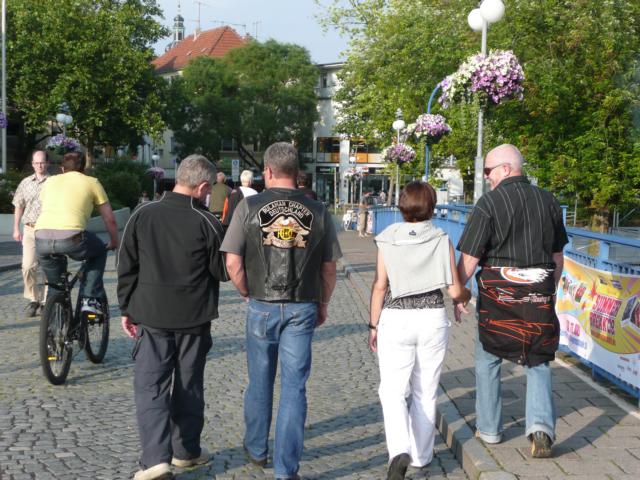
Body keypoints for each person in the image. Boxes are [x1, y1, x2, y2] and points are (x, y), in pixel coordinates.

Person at [221, 142, 342, 480]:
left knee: (259, 381)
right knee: (294, 387)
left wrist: (246, 292)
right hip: (303, 305)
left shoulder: (248, 206)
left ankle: (257, 448)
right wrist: (323, 303)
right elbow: (329, 269)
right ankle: (286, 469)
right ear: (296, 170)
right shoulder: (319, 211)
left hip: (261, 304)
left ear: (269, 171)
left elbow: (232, 262)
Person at [118, 154, 229, 480]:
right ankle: (186, 451)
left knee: (151, 386)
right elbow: (222, 271)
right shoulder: (207, 222)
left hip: (151, 314)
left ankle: (156, 461)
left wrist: (126, 308)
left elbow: (126, 265)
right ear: (203, 186)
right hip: (194, 317)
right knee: (189, 386)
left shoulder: (143, 213)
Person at [454, 144, 568, 458]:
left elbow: (469, 258)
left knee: (489, 357)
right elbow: (558, 256)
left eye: (488, 171)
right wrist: (549, 290)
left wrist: (458, 293)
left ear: (505, 169)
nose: (486, 177)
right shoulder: (548, 201)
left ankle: (490, 429)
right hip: (538, 293)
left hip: (497, 297)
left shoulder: (489, 203)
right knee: (538, 358)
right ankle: (541, 429)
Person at [368, 181, 471, 479]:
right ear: (432, 207)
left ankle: (399, 449)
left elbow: (380, 286)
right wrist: (465, 297)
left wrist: (373, 325)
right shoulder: (441, 238)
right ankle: (422, 456)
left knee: (392, 390)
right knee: (425, 391)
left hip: (396, 318)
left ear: (402, 205)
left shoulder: (387, 238)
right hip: (431, 319)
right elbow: (454, 290)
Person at [35, 152, 118, 317]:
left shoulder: (49, 181)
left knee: (56, 285)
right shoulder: (91, 182)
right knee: (99, 251)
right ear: (83, 168)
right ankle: (90, 298)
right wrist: (114, 241)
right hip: (72, 237)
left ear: (62, 168)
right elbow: (110, 219)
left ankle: (54, 324)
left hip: (41, 237)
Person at [12, 150, 50, 317]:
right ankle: (33, 299)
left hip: (49, 229)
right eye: (36, 162)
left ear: (47, 163)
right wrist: (15, 228)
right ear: (32, 164)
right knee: (28, 266)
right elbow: (18, 205)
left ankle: (46, 301)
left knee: (49, 267)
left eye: (42, 162)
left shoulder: (54, 182)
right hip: (29, 229)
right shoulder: (25, 182)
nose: (39, 165)